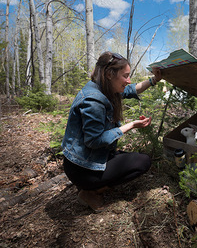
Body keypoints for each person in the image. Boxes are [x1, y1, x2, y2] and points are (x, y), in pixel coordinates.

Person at [61, 51, 162, 211]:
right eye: (125, 76)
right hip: (82, 170)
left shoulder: (105, 88)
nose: (128, 80)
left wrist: (154, 80)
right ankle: (90, 192)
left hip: (88, 160)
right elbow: (94, 141)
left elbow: (131, 89)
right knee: (142, 162)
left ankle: (91, 186)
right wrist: (130, 125)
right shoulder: (93, 100)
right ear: (109, 74)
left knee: (132, 158)